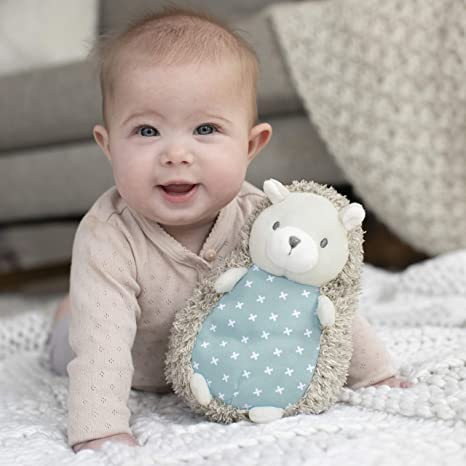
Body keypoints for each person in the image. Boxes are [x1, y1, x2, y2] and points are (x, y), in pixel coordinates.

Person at [48, 7, 409, 453]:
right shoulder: (108, 236)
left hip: (216, 364)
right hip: (141, 369)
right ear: (108, 146)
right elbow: (101, 349)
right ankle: (66, 314)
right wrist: (99, 428)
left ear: (251, 145)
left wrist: (374, 372)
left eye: (205, 129)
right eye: (146, 130)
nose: (176, 153)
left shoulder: (266, 218)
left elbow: (324, 299)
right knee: (70, 345)